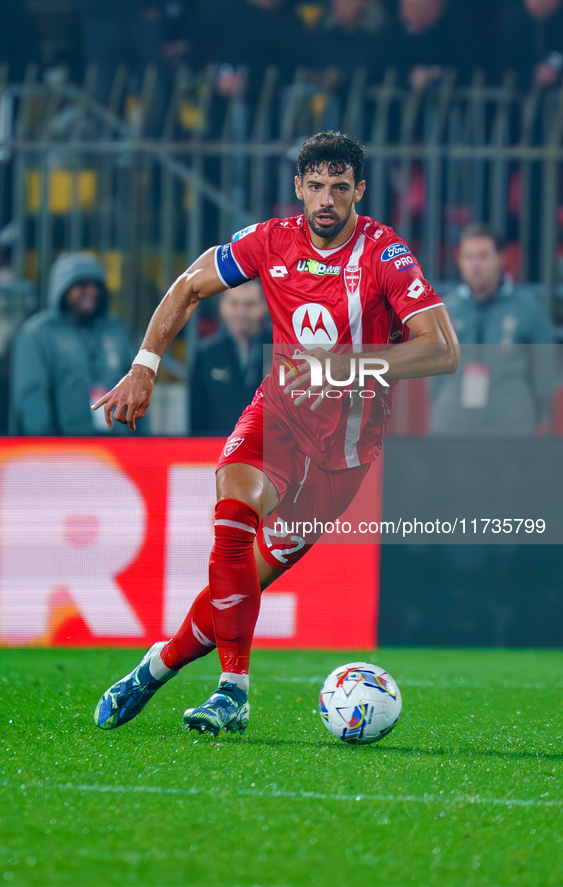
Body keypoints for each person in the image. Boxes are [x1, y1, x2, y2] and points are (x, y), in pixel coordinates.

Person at [92, 131, 459, 737]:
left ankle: (154, 668)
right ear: (299, 188)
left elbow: (442, 350)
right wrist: (144, 367)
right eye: (316, 186)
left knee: (237, 587)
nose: (326, 199)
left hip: (345, 455)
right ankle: (231, 693)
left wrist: (353, 364)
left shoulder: (385, 256)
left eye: (340, 188)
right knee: (231, 521)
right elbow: (188, 286)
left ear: (359, 192)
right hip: (279, 417)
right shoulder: (270, 241)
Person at [430, 224, 556, 436]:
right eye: (468, 257)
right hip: (452, 426)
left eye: (483, 256)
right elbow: (432, 376)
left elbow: (544, 375)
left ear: (501, 259)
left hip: (511, 427)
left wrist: (530, 416)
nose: (475, 265)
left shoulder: (528, 309)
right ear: (459, 261)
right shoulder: (445, 311)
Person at [12, 252, 139, 436]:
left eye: (96, 285)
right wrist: (43, 446)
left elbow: (136, 387)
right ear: (62, 287)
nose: (90, 291)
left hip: (118, 449)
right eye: (81, 284)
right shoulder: (38, 334)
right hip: (64, 452)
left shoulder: (115, 331)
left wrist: (141, 441)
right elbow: (31, 398)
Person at [189, 281, 270, 435]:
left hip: (268, 451)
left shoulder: (281, 351)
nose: (241, 312)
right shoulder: (206, 355)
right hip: (216, 452)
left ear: (264, 306)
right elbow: (196, 419)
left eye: (250, 304)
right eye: (234, 304)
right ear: (221, 305)